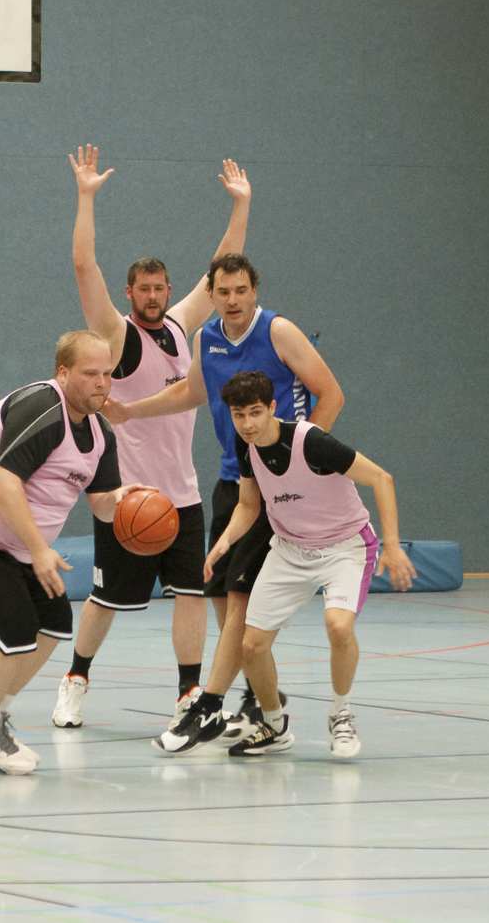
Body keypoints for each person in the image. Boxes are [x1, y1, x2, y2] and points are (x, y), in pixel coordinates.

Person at [105, 253, 344, 747]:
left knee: (239, 602)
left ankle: (208, 706)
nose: (232, 300)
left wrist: (296, 457)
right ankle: (262, 708)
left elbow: (331, 395)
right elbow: (192, 392)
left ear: (253, 290)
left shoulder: (279, 332)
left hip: (273, 488)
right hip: (232, 481)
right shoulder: (207, 337)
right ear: (211, 295)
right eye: (223, 292)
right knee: (220, 596)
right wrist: (132, 412)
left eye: (241, 290)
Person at [54, 144, 251, 731]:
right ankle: (75, 679)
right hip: (129, 498)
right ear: (130, 291)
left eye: (160, 287)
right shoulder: (117, 337)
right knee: (106, 600)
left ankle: (190, 693)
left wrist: (241, 205)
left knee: (192, 593)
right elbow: (84, 269)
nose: (154, 295)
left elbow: (223, 268)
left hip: (183, 494)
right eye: (143, 288)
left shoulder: (181, 325)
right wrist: (86, 198)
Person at [0, 331, 151, 774]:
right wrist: (39, 550)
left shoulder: (101, 432)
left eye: (107, 374)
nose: (101, 383)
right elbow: (3, 482)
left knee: (52, 623)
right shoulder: (43, 409)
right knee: (12, 632)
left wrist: (128, 501)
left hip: (13, 544)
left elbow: (102, 504)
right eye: (90, 374)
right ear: (63, 373)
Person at [181, 371, 415, 758]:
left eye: (256, 412)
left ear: (273, 408)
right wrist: (222, 544)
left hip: (344, 547)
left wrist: (392, 545)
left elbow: (381, 479)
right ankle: (273, 725)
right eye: (239, 415)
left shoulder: (312, 443)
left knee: (338, 626)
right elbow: (248, 505)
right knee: (252, 646)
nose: (248, 423)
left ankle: (340, 714)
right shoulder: (246, 447)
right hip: (290, 550)